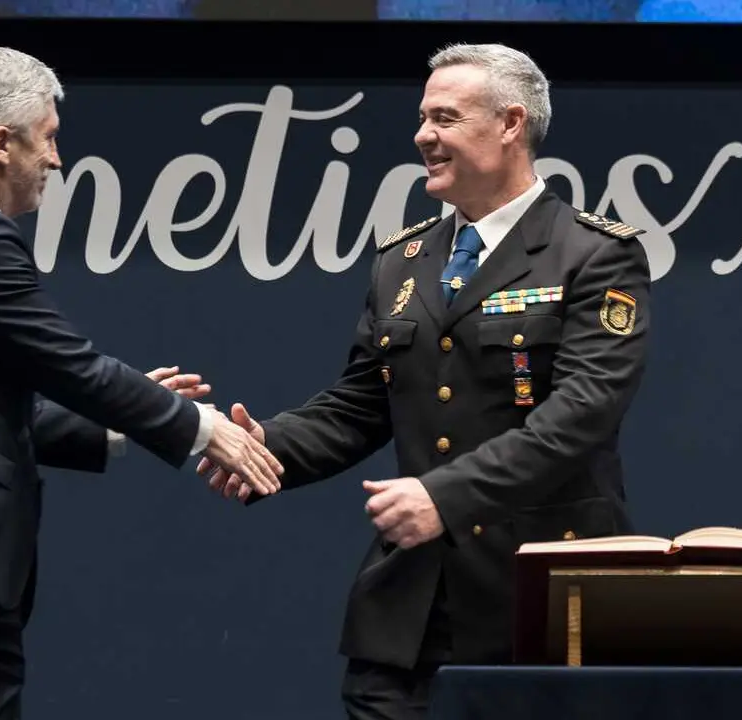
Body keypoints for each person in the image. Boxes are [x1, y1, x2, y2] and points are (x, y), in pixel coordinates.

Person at [0, 46, 283, 720]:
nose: (58, 161)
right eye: (50, 138)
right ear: (1, 143)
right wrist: (203, 431)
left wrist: (118, 424)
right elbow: (69, 365)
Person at [200, 42, 651, 719]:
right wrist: (267, 445)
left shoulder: (594, 255)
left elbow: (581, 414)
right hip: (411, 611)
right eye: (422, 118)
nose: (422, 137)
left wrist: (444, 496)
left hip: (543, 603)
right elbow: (363, 402)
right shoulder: (402, 261)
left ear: (510, 124)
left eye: (445, 118)